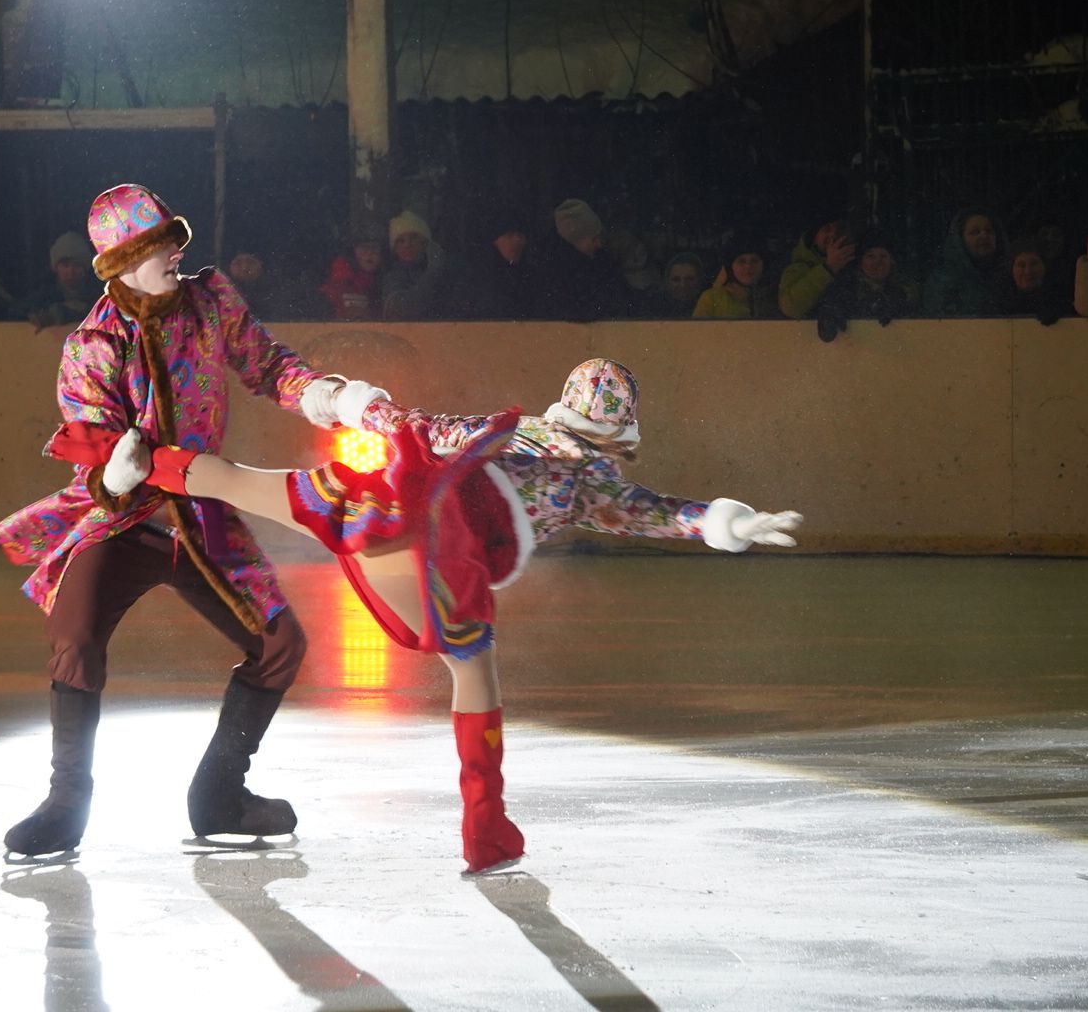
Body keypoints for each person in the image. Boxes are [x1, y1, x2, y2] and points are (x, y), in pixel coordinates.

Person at [47, 358, 802, 874]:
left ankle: (133, 458)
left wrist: (359, 404)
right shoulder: (588, 482)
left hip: (383, 507)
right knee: (474, 668)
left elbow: (409, 423)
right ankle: (485, 825)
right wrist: (724, 523)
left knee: (250, 484)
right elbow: (654, 512)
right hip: (443, 557)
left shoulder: (495, 431)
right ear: (618, 434)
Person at [0, 183, 387, 860]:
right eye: (156, 247)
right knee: (75, 636)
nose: (175, 251)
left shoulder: (211, 301)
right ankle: (65, 803)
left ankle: (219, 795)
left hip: (201, 514)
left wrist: (325, 394)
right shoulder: (92, 344)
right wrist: (112, 475)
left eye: (174, 240)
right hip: (121, 520)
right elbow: (88, 442)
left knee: (280, 642)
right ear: (118, 263)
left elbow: (267, 365)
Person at [532, 198, 634, 320]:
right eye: (593, 239)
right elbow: (574, 311)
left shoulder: (602, 259)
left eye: (599, 237)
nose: (599, 244)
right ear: (577, 240)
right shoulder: (556, 273)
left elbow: (623, 294)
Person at [813, 228, 920, 341]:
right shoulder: (845, 289)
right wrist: (830, 316)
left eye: (883, 256)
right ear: (861, 262)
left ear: (892, 262)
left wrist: (897, 312)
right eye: (871, 256)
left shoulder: (906, 290)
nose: (878, 262)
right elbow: (831, 309)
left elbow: (915, 320)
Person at [922, 208, 1006, 317]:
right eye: (975, 232)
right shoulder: (942, 281)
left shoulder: (1012, 274)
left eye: (989, 230)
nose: (984, 236)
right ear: (960, 240)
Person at [460, 207, 540, 319]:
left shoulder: (536, 277)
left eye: (521, 235)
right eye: (510, 235)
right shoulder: (473, 279)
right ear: (495, 241)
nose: (517, 240)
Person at [380, 209, 455, 320]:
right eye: (400, 241)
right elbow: (401, 312)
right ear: (394, 249)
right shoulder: (392, 278)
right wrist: (433, 272)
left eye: (414, 237)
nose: (407, 245)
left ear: (426, 243)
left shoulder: (449, 273)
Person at [778, 218, 855, 320]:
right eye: (826, 229)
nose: (832, 235)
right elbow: (790, 307)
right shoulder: (798, 268)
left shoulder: (862, 264)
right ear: (814, 237)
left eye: (839, 230)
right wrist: (828, 268)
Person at [693, 237, 775, 319]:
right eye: (741, 261)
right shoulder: (712, 298)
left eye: (754, 261)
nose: (748, 266)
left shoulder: (774, 297)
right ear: (731, 267)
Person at [27, 232, 97, 329]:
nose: (70, 272)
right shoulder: (42, 297)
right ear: (56, 268)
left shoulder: (99, 297)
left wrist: (64, 313)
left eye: (77, 265)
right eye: (65, 265)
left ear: (85, 269)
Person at [317, 228, 384, 320]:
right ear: (353, 252)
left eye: (374, 248)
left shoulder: (383, 283)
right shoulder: (339, 281)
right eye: (363, 248)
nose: (369, 253)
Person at [999, 239, 1066, 325]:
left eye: (1034, 264)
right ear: (1011, 269)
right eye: (1021, 265)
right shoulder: (999, 303)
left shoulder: (1060, 299)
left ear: (1045, 266)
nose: (1028, 271)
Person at [659, 251, 706, 318]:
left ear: (700, 281)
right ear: (667, 282)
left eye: (690, 279)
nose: (683, 285)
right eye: (676, 279)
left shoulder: (708, 306)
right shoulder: (656, 309)